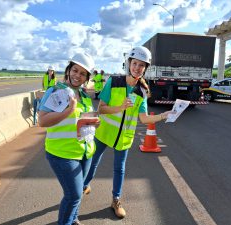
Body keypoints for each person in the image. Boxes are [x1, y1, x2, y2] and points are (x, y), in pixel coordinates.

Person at [83, 46, 172, 219]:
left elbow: (144, 119)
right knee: (93, 162)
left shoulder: (142, 91)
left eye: (141, 65)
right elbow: (101, 109)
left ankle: (115, 200)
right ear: (129, 63)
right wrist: (120, 107)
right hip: (104, 133)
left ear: (146, 68)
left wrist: (163, 116)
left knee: (119, 169)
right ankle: (84, 186)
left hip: (124, 137)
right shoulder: (114, 81)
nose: (137, 68)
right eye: (135, 63)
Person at [38, 52, 99, 225]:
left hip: (84, 152)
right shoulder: (57, 92)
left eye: (82, 73)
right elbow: (42, 121)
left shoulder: (85, 96)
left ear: (86, 77)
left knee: (77, 193)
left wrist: (94, 123)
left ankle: (73, 219)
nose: (77, 75)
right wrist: (68, 111)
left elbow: (83, 122)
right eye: (75, 70)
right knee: (73, 195)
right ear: (68, 70)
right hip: (62, 154)